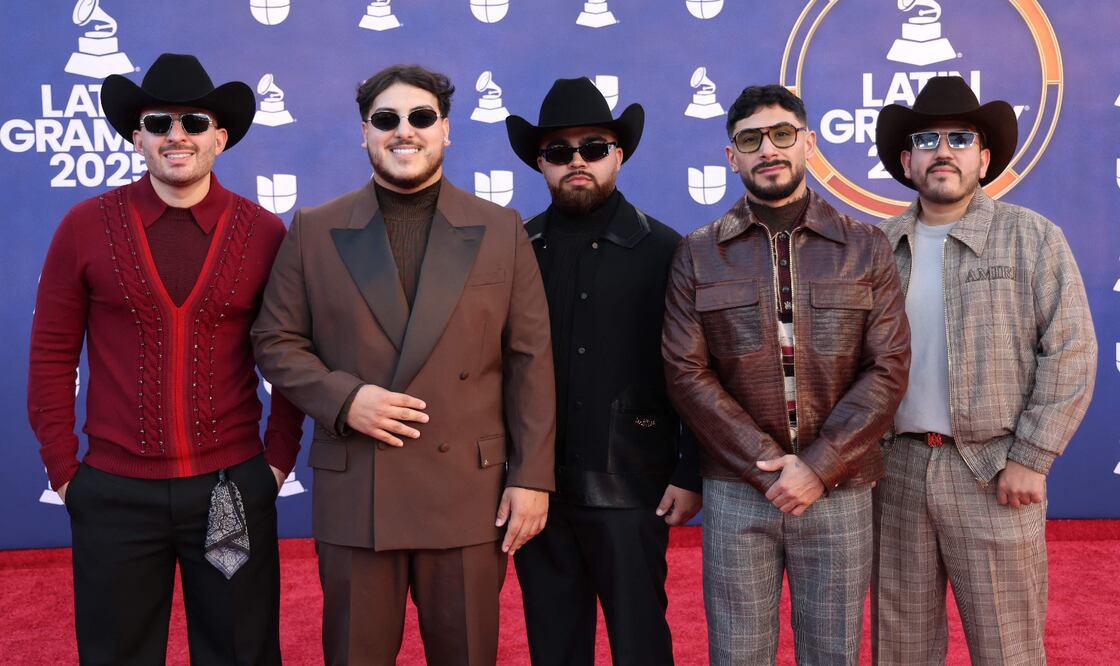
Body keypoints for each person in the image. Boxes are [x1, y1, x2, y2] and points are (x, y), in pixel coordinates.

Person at [251, 64, 556, 665]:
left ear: (446, 130)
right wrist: (345, 400)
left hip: (468, 492)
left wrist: (531, 478)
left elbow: (530, 360)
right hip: (358, 491)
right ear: (364, 132)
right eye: (386, 119)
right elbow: (275, 341)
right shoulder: (314, 229)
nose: (404, 131)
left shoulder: (501, 229)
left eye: (421, 117)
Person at [27, 53, 303, 665]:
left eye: (194, 122)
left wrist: (278, 460)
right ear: (138, 137)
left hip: (230, 490)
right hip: (114, 494)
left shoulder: (264, 233)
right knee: (116, 655)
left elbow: (289, 355)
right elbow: (50, 355)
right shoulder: (84, 226)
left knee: (240, 652)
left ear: (219, 138)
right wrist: (63, 470)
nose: (177, 135)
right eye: (159, 122)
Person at [661, 84, 910, 665]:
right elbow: (685, 372)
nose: (768, 149)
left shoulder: (865, 246)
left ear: (808, 143)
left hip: (840, 486)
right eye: (750, 140)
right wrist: (766, 466)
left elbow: (888, 366)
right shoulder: (698, 253)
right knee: (737, 655)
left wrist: (818, 467)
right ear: (732, 157)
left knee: (833, 655)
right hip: (737, 489)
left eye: (781, 134)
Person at [871, 75, 1097, 666]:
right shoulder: (875, 248)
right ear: (906, 161)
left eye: (960, 138)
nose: (943, 151)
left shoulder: (1032, 238)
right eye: (927, 139)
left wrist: (1032, 457)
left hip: (993, 472)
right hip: (894, 474)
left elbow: (1072, 351)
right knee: (900, 650)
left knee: (1008, 650)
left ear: (984, 158)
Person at [504, 77, 702, 665]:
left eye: (593, 148)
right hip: (538, 493)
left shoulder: (667, 249)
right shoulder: (516, 250)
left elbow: (695, 368)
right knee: (554, 649)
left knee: (642, 648)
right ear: (540, 162)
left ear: (618, 155)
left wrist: (691, 470)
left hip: (634, 490)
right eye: (559, 151)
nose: (577, 162)